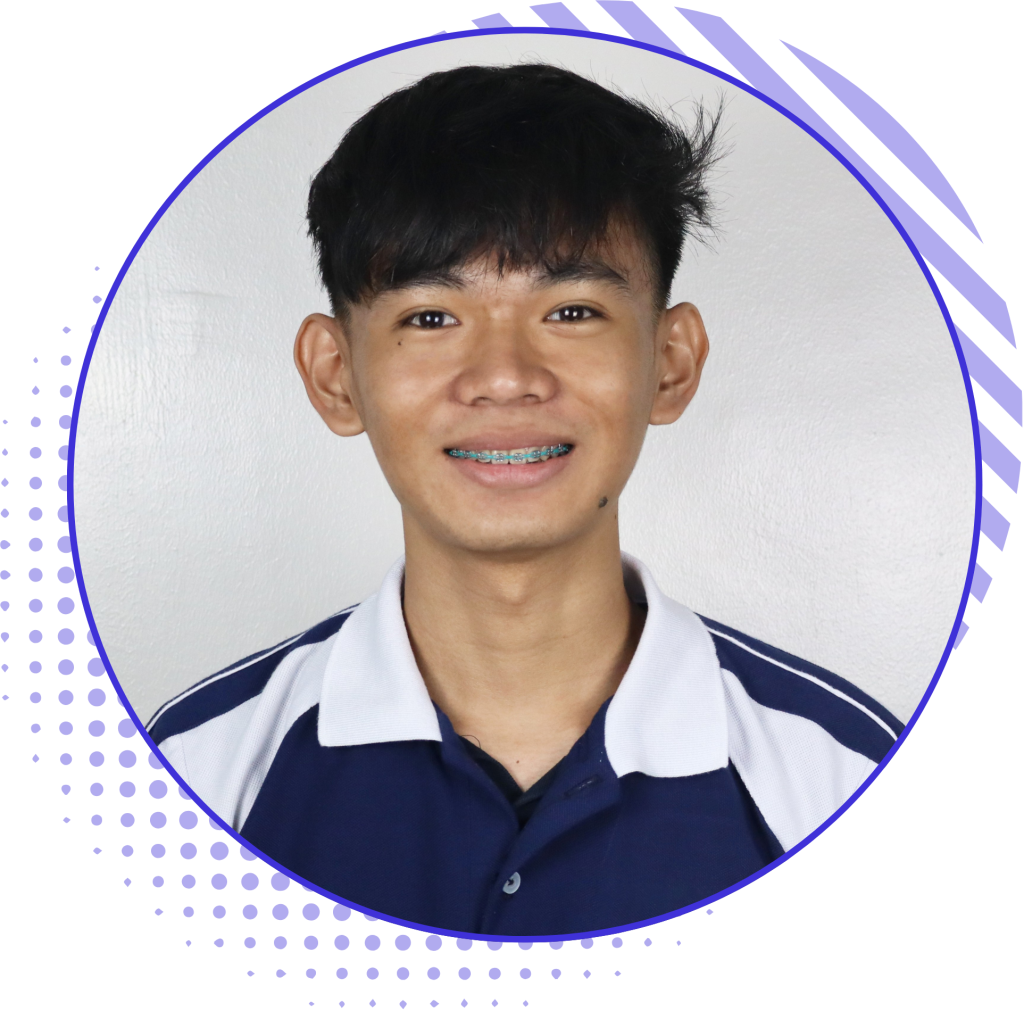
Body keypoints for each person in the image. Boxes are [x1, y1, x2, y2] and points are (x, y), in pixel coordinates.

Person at [146, 63, 903, 935]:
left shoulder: (840, 773)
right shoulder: (201, 764)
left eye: (572, 311)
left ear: (671, 363)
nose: (505, 377)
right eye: (431, 317)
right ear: (335, 375)